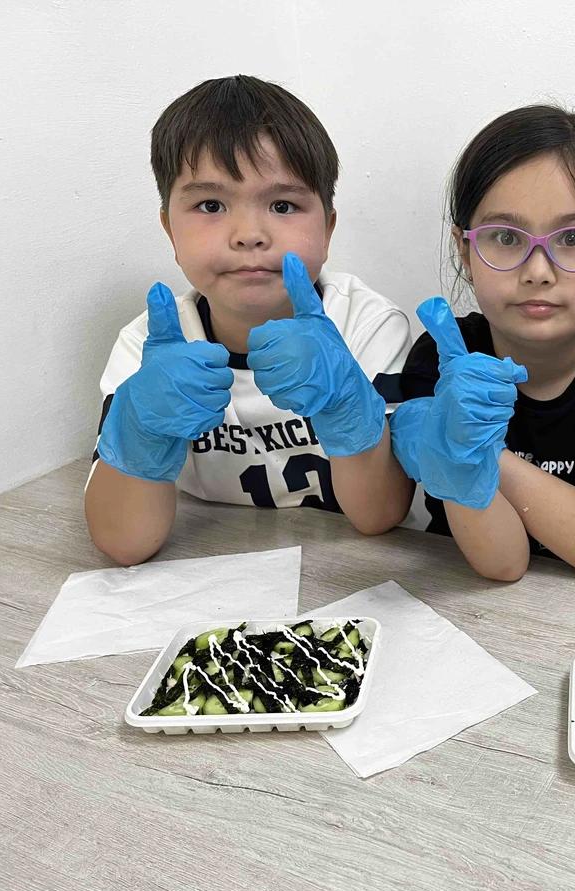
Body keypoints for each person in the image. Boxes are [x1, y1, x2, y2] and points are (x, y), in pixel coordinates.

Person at [86, 75, 412, 566]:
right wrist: (142, 433)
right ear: (169, 229)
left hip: (342, 563)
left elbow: (380, 515)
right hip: (210, 565)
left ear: (327, 228)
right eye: (210, 205)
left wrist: (348, 405)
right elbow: (124, 544)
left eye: (283, 206)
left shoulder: (367, 325)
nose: (249, 234)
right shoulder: (146, 346)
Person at [391, 105, 575, 581]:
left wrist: (478, 451)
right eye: (505, 237)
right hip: (460, 594)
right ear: (465, 251)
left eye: (573, 238)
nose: (538, 271)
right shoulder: (443, 357)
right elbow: (502, 564)